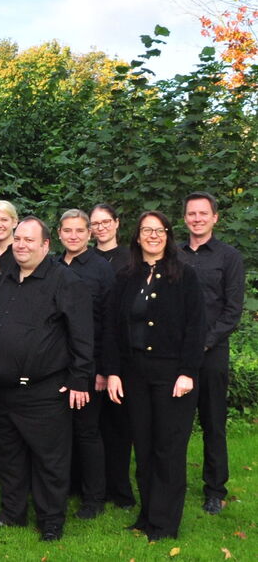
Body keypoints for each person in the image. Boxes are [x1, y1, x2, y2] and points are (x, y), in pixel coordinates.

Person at [0, 217, 93, 542]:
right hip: (3, 390)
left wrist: (79, 378)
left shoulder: (65, 281)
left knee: (49, 461)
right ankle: (11, 515)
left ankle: (51, 521)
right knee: (10, 458)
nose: (21, 245)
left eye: (29, 240)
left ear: (45, 245)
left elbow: (82, 335)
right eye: (18, 239)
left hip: (43, 391)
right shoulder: (7, 276)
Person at [107, 210, 206, 540]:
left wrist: (188, 372)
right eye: (147, 230)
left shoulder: (185, 275)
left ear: (168, 236)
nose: (153, 235)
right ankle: (147, 515)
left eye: (159, 230)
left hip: (172, 375)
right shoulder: (125, 277)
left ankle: (164, 525)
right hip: (134, 374)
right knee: (144, 446)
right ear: (137, 237)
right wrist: (113, 372)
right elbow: (112, 329)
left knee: (168, 449)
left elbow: (196, 327)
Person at [179, 191, 245, 515]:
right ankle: (171, 485)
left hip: (212, 353)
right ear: (184, 218)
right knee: (174, 425)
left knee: (213, 423)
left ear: (215, 218)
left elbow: (232, 311)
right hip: (175, 356)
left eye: (203, 213)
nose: (197, 219)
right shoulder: (173, 255)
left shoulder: (229, 257)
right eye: (192, 213)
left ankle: (215, 490)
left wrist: (203, 343)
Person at [56, 209, 117, 520]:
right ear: (58, 234)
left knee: (87, 432)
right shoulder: (51, 265)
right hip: (55, 364)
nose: (73, 236)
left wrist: (104, 370)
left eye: (80, 230)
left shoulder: (101, 269)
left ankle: (94, 498)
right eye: (67, 230)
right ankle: (67, 486)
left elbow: (109, 323)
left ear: (89, 234)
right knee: (60, 431)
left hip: (89, 364)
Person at [89, 202, 136, 511]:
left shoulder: (130, 259)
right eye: (95, 223)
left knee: (119, 426)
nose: (101, 227)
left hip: (122, 351)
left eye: (106, 221)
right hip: (89, 352)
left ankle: (119, 489)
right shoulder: (86, 258)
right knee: (92, 426)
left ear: (117, 223)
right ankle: (92, 484)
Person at [91, 203, 132, 273]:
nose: (100, 228)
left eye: (105, 222)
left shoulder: (132, 257)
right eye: (95, 224)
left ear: (117, 223)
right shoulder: (84, 257)